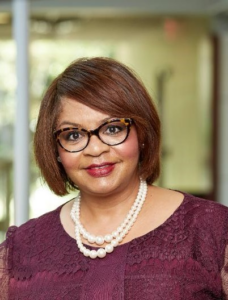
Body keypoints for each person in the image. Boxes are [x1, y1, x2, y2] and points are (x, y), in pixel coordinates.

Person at [1, 57, 228, 300]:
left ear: (141, 132)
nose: (95, 150)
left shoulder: (211, 230)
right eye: (74, 135)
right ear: (56, 150)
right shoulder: (21, 250)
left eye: (112, 129)